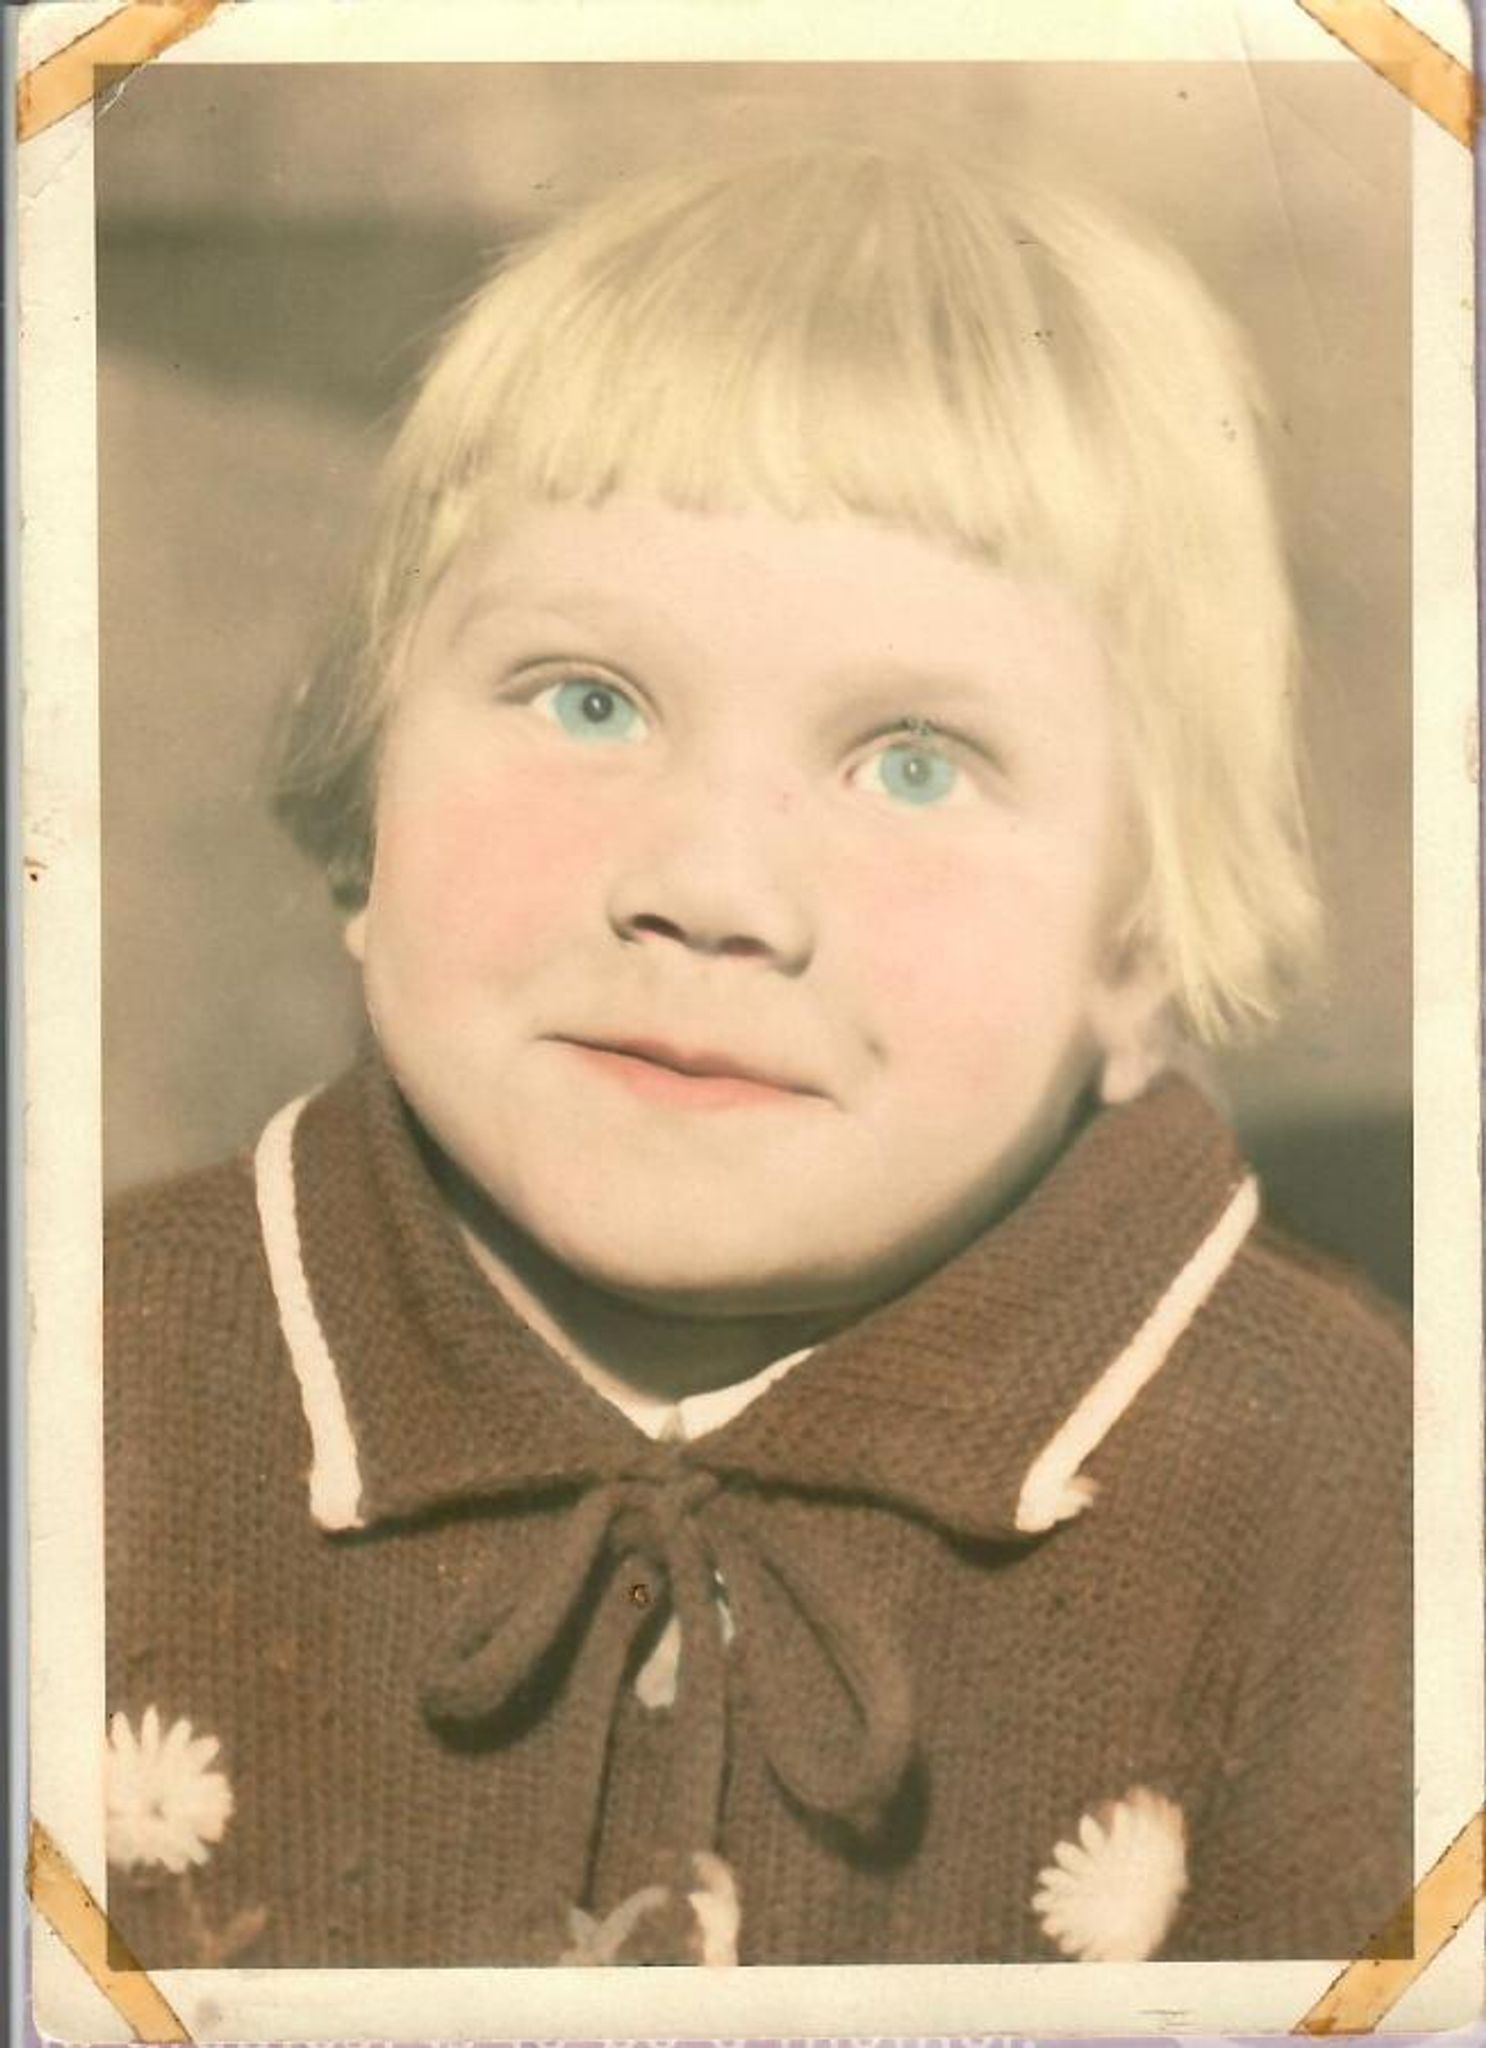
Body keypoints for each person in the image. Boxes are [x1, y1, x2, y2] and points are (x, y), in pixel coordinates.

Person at [103, 145, 1410, 1970]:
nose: (711, 891)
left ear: (1136, 953)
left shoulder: (1347, 1498)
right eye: (589, 700)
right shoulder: (93, 1380)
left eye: (912, 763)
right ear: (364, 806)